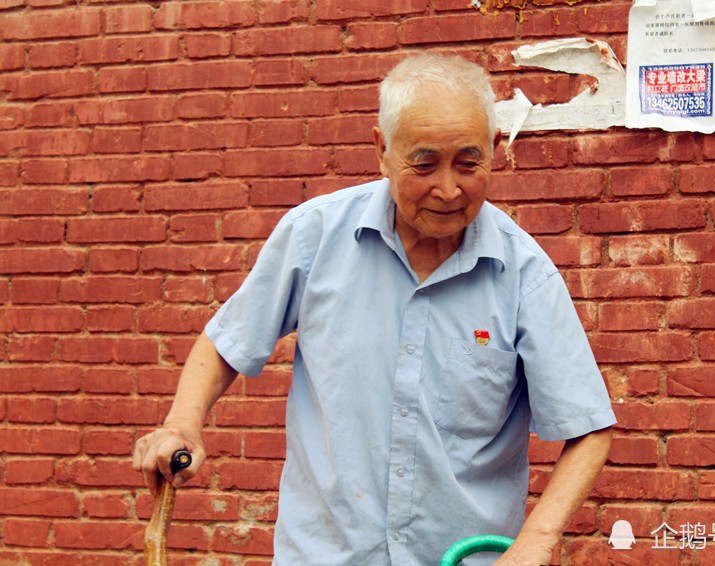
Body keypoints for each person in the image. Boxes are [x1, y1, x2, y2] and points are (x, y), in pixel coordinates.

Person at [133, 53, 616, 566]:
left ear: (495, 150)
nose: (449, 190)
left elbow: (588, 429)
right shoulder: (315, 236)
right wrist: (184, 424)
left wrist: (535, 543)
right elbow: (226, 342)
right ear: (382, 151)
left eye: (469, 163)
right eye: (424, 164)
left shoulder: (524, 274)